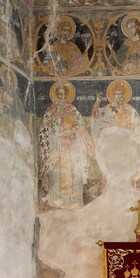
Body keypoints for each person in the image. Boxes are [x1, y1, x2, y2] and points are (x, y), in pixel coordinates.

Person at [40, 82, 98, 210]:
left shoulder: (72, 109)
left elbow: (80, 126)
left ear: (67, 95)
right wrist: (54, 128)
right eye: (59, 94)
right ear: (55, 95)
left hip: (72, 146)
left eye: (63, 94)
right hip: (57, 144)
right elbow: (44, 129)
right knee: (56, 171)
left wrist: (71, 131)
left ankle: (73, 200)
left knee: (73, 170)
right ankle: (56, 199)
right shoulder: (51, 110)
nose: (61, 97)